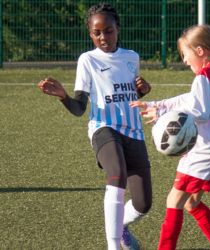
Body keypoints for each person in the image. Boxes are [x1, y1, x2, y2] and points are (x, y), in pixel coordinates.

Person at [38, 3, 152, 249]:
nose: (103, 37)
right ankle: (113, 245)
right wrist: (63, 97)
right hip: (103, 128)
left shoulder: (131, 58)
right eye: (96, 33)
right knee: (117, 175)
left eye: (108, 31)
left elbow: (128, 96)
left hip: (133, 131)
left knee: (144, 203)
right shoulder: (87, 60)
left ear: (117, 29)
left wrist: (142, 90)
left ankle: (120, 226)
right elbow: (80, 107)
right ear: (90, 34)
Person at [130, 24, 210, 250]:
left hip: (206, 152)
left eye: (185, 55)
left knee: (174, 201)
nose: (185, 61)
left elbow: (200, 111)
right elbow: (190, 100)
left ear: (199, 51)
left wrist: (161, 112)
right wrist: (157, 105)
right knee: (191, 202)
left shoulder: (203, 77)